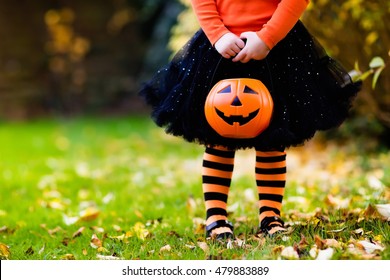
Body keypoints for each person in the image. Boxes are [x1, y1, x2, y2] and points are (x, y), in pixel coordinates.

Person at [139, 0, 361, 240]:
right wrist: (217, 34)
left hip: (278, 48)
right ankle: (215, 216)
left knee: (273, 138)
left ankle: (270, 215)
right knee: (218, 137)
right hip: (222, 47)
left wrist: (268, 37)